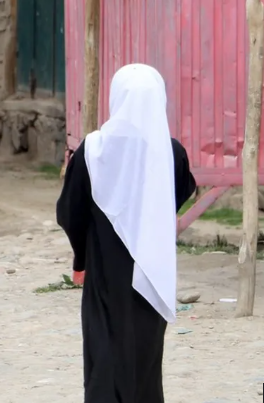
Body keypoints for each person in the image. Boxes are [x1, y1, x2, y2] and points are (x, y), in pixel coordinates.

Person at [56, 64, 196, 402]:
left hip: (105, 268)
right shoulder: (170, 152)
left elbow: (69, 212)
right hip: (152, 268)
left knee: (104, 353)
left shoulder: (93, 150)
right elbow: (181, 192)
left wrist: (82, 255)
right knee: (144, 359)